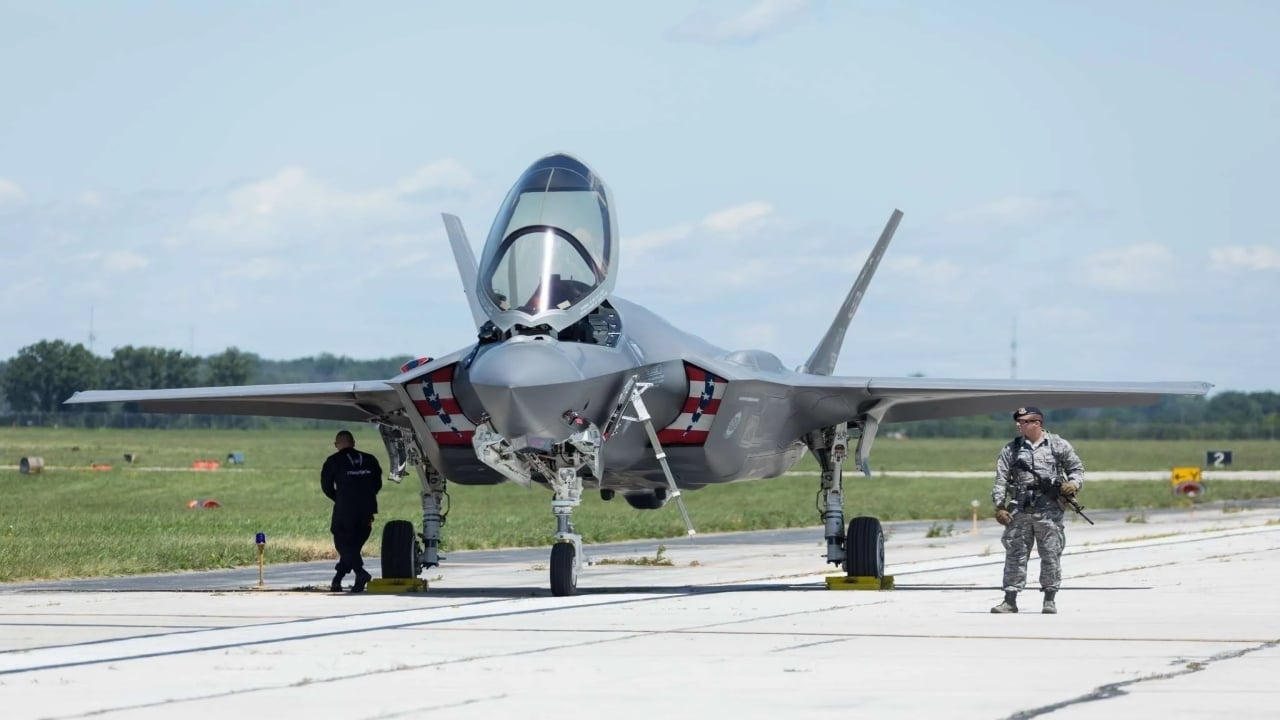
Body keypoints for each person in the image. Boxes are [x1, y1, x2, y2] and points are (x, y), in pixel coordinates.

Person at [990, 407, 1084, 614]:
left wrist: (1073, 485)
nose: (1018, 425)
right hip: (1020, 509)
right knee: (1015, 554)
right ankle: (1010, 599)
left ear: (1037, 423)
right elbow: (1001, 479)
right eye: (1017, 421)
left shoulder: (1058, 445)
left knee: (1050, 553)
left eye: (1023, 421)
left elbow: (1076, 469)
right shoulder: (1012, 449)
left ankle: (1049, 598)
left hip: (1049, 510)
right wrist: (999, 506)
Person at [320, 429, 383, 592]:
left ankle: (359, 573)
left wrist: (339, 498)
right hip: (367, 508)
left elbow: (326, 486)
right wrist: (366, 497)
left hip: (345, 509)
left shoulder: (334, 460)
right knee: (353, 545)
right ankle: (340, 578)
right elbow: (377, 484)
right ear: (353, 443)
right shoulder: (370, 459)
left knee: (342, 542)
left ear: (337, 445)